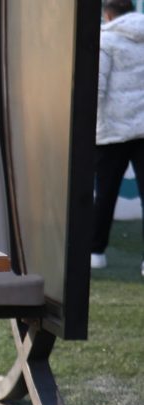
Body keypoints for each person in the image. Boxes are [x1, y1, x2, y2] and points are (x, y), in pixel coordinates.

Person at [93, 0, 144, 276]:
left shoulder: (105, 40)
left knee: (105, 195)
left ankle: (96, 253)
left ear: (108, 14)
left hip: (112, 132)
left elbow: (97, 88)